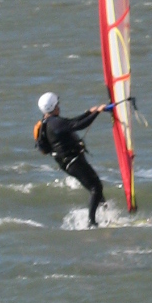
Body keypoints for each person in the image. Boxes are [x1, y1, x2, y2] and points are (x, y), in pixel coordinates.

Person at [33, 91, 109, 226]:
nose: (59, 106)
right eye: (57, 104)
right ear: (53, 106)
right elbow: (77, 125)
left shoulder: (50, 121)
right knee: (95, 188)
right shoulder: (55, 123)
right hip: (73, 162)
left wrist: (88, 113)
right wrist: (97, 112)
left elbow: (71, 122)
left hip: (69, 163)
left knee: (95, 187)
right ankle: (92, 222)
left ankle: (106, 214)